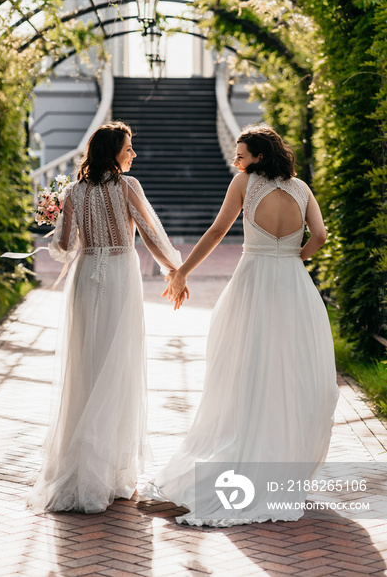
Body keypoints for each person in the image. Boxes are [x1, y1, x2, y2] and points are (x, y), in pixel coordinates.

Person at [142, 123, 339, 526]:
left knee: (246, 369)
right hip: (295, 287)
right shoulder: (301, 188)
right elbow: (319, 235)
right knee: (292, 372)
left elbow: (217, 231)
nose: (236, 160)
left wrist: (181, 272)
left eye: (242, 154)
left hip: (254, 283)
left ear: (259, 158)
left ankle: (245, 458)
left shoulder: (244, 184)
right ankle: (282, 467)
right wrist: (293, 259)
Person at [28, 121, 187, 513]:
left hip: (86, 277)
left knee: (88, 363)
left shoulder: (73, 192)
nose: (133, 154)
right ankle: (114, 472)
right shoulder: (128, 187)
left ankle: (88, 468)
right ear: (112, 151)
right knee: (119, 365)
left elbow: (65, 247)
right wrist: (176, 267)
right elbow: (150, 235)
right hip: (118, 275)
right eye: (128, 148)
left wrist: (57, 218)